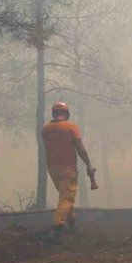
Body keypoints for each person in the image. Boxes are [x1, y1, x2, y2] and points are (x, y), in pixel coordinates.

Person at [41, 101, 95, 243]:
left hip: (52, 168)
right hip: (67, 169)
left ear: (54, 113)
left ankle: (72, 221)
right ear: (66, 113)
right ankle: (57, 226)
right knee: (67, 198)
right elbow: (80, 148)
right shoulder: (71, 128)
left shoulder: (45, 128)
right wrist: (88, 164)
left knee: (65, 194)